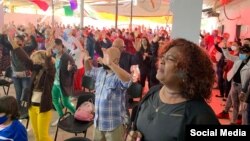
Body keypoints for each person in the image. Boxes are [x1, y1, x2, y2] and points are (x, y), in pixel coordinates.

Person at [126, 38, 220, 141]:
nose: (161, 61)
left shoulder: (201, 115)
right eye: (163, 57)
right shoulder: (153, 92)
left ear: (186, 71)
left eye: (170, 59)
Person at [83, 47, 131, 141]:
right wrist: (85, 61)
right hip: (98, 123)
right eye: (104, 56)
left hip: (113, 126)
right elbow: (89, 71)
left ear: (116, 60)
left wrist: (111, 64)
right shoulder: (101, 71)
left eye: (106, 57)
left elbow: (128, 80)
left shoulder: (118, 76)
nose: (103, 59)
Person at [51, 38, 77, 126]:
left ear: (60, 45)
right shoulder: (55, 55)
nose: (53, 48)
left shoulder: (67, 56)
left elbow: (74, 67)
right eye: (53, 47)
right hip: (55, 82)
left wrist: (71, 68)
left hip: (64, 83)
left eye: (55, 46)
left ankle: (76, 114)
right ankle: (61, 117)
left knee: (66, 102)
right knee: (55, 100)